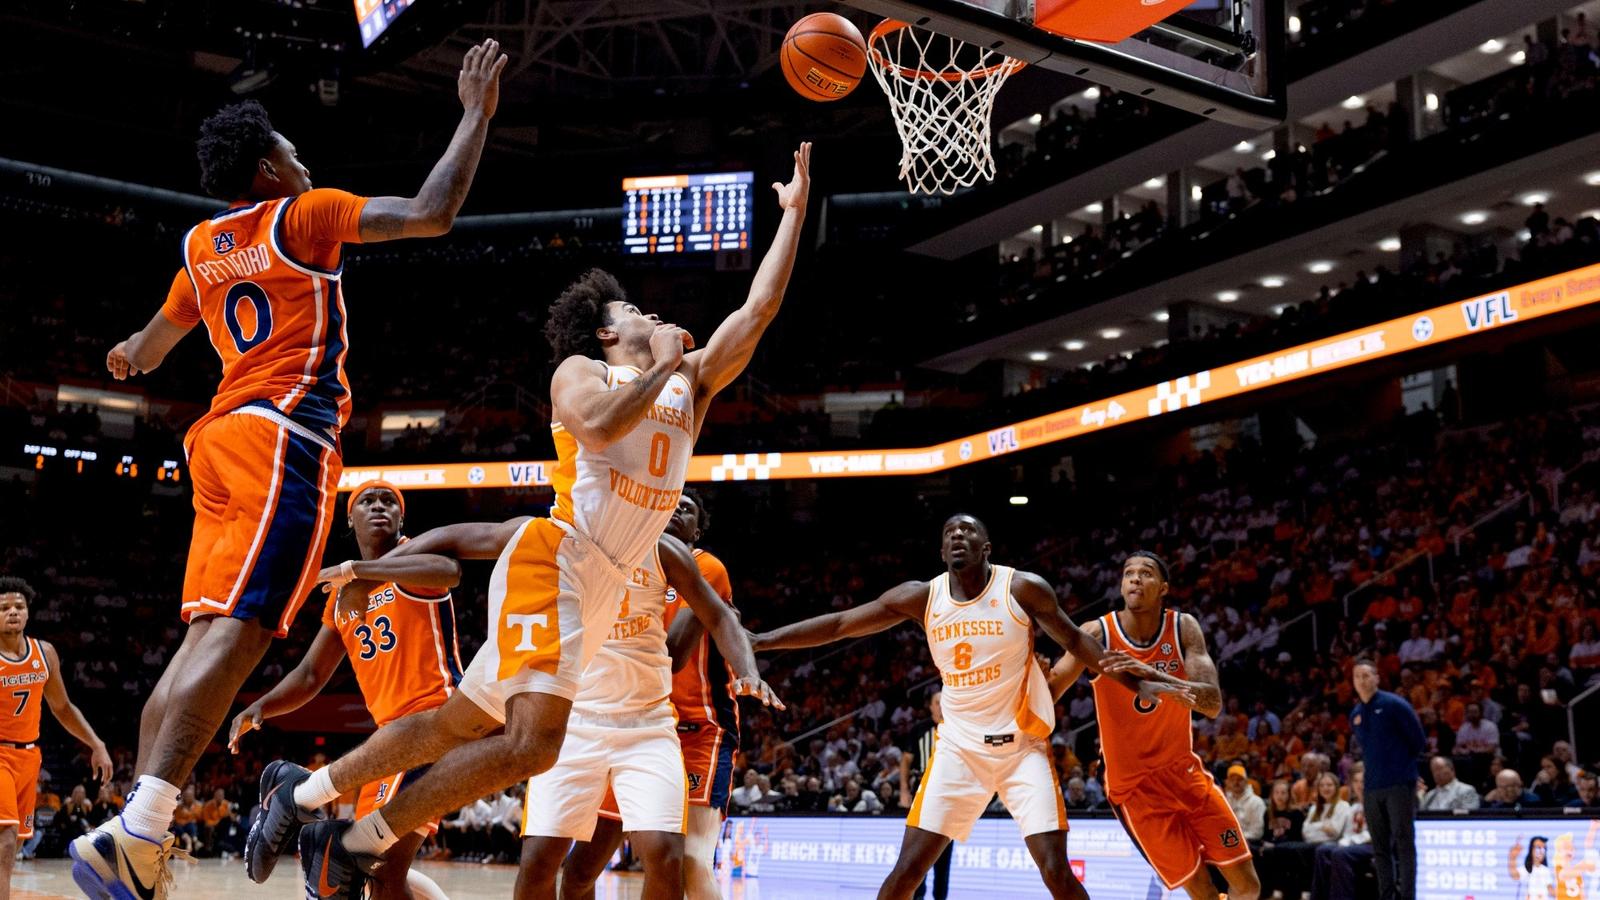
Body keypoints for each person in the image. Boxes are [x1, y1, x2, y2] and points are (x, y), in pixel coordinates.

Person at [251, 142, 814, 899]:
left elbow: (759, 309)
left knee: (457, 724)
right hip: (558, 558)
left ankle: (303, 795)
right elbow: (602, 429)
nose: (652, 313)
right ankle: (353, 843)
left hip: (603, 583)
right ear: (607, 334)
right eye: (633, 312)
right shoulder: (582, 372)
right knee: (531, 745)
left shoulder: (693, 383)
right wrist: (658, 364)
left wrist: (793, 216)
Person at [73, 39, 507, 898]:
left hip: (217, 443)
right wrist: (473, 116)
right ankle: (143, 828)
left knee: (204, 635)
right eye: (296, 153)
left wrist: (126, 353)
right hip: (284, 437)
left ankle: (135, 829)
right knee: (242, 634)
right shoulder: (300, 217)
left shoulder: (201, 245)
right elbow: (430, 211)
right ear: (271, 166)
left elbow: (148, 347)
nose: (307, 163)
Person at [754, 520, 1191, 900]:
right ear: (942, 551)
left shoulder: (1022, 588)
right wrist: (763, 641)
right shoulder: (922, 597)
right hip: (959, 751)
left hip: (1022, 750)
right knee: (904, 875)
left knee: (1056, 872)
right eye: (949, 533)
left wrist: (1139, 683)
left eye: (968, 530)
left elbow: (1078, 643)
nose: (957, 535)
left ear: (987, 548)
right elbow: (842, 624)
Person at [511, 517, 776, 900]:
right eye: (672, 506)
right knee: (572, 870)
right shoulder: (579, 545)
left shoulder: (698, 565)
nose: (675, 513)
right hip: (587, 719)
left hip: (683, 726)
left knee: (684, 859)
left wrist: (748, 668)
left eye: (686, 509)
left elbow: (677, 652)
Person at [228, 480, 461, 899]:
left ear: (401, 517)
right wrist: (261, 705)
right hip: (389, 742)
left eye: (389, 501)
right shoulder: (339, 599)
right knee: (373, 869)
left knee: (381, 863)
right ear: (349, 520)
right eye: (367, 501)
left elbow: (448, 571)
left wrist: (359, 571)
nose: (379, 507)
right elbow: (311, 676)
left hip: (434, 723)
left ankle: (293, 790)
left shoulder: (412, 561)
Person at [1049, 552, 1261, 900]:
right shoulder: (1097, 632)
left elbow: (1212, 703)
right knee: (1203, 893)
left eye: (1145, 573)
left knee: (1248, 887)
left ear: (1163, 588)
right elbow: (1052, 688)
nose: (1134, 578)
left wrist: (1153, 674)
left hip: (1185, 774)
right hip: (1135, 790)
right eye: (1128, 572)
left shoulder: (1183, 627)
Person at [0, 578, 112, 900]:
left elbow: (62, 707)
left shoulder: (44, 653)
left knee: (16, 841)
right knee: (6, 838)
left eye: (19, 607)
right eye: (4, 608)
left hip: (29, 757)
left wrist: (97, 744)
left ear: (28, 613)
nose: (13, 613)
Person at [1351, 658, 1425, 900]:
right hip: (1372, 788)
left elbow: (1418, 741)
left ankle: (1407, 897)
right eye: (1357, 676)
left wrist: (1403, 770)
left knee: (1404, 845)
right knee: (1380, 848)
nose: (1362, 680)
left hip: (1399, 784)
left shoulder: (1394, 704)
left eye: (1366, 675)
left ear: (1377, 678)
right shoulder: (1356, 715)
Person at [1224, 765, 1266, 844]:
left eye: (1240, 779)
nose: (1236, 783)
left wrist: (1233, 839)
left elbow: (1257, 833)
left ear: (1246, 781)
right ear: (1228, 782)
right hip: (1226, 843)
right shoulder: (1224, 801)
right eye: (1232, 780)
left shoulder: (1256, 802)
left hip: (1248, 844)